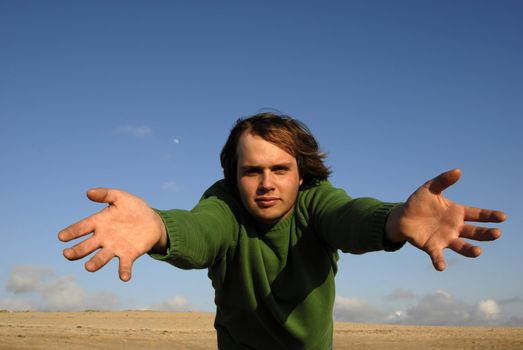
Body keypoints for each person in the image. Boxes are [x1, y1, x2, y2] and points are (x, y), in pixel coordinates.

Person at [58, 112, 506, 349]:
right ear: (233, 175)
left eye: (280, 169)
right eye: (252, 171)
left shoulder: (317, 201)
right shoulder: (224, 207)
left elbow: (348, 217)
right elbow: (199, 232)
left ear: (301, 173)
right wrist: (157, 226)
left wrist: (392, 221)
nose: (267, 183)